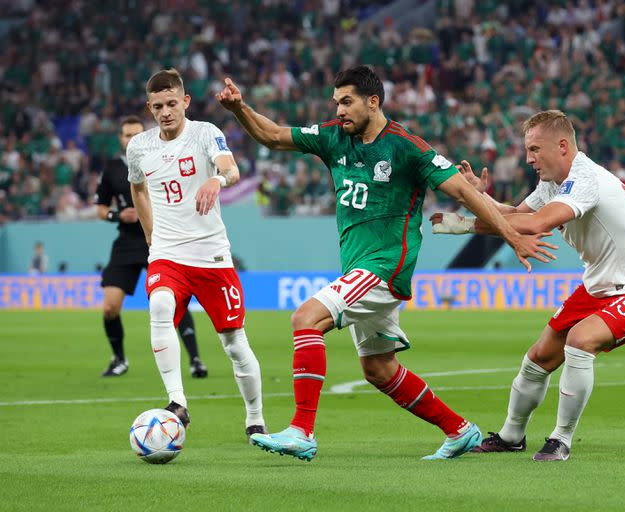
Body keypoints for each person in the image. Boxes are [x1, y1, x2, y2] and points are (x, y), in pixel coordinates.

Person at [217, 66, 556, 461]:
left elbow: (462, 191)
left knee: (305, 318)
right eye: (336, 102)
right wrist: (240, 108)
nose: (339, 110)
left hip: (384, 267)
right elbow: (272, 135)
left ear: (373, 101)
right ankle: (460, 430)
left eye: (347, 102)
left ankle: (301, 431)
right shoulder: (332, 138)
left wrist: (511, 233)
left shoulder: (406, 147)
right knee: (379, 369)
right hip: (358, 267)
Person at [431, 110, 625, 461]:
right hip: (599, 283)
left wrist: (472, 214)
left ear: (562, 146)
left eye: (534, 150)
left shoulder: (585, 178)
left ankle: (561, 440)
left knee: (580, 340)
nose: (528, 159)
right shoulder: (551, 186)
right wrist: (471, 205)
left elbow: (537, 223)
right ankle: (512, 436)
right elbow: (512, 216)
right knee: (539, 356)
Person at [127, 69, 266, 439]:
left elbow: (231, 170)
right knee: (158, 306)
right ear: (149, 108)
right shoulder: (139, 146)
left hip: (211, 255)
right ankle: (177, 401)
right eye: (158, 106)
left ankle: (255, 418)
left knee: (234, 342)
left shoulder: (206, 132)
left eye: (172, 103)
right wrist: (152, 238)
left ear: (185, 101)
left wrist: (216, 180)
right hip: (167, 253)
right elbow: (138, 190)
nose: (166, 111)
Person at [95, 115, 208, 378]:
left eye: (136, 134)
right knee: (110, 307)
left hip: (159, 238)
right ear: (120, 138)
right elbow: (100, 208)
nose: (131, 139)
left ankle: (195, 360)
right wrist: (117, 215)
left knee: (174, 301)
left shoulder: (161, 156)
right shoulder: (112, 168)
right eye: (126, 135)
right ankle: (119, 360)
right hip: (126, 241)